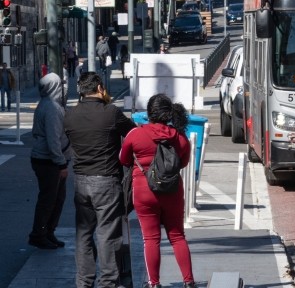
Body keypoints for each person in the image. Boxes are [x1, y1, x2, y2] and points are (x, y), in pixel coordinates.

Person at [64, 72, 136, 288]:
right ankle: (108, 281)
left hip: (81, 181)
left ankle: (84, 281)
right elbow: (132, 133)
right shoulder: (111, 112)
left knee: (83, 233)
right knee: (107, 233)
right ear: (100, 88)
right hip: (106, 179)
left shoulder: (69, 115)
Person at [119, 93, 196, 288]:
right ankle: (189, 281)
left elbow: (124, 159)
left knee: (150, 239)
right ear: (169, 114)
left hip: (144, 190)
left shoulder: (135, 134)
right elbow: (184, 162)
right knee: (177, 236)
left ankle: (154, 283)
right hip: (172, 190)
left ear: (149, 113)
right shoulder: (179, 137)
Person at [29, 73, 70, 250]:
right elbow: (53, 139)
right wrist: (60, 163)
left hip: (47, 158)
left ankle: (47, 232)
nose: (63, 87)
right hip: (49, 160)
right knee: (49, 199)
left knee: (56, 198)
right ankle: (39, 234)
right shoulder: (52, 108)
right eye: (60, 84)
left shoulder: (49, 104)